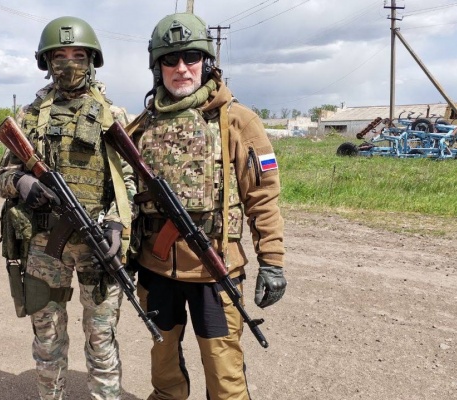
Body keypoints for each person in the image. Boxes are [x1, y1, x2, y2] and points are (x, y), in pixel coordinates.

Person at [127, 12, 287, 400]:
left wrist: (272, 261)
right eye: (170, 59)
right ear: (157, 67)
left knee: (224, 372)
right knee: (163, 366)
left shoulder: (238, 121)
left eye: (191, 57)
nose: (181, 68)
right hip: (155, 269)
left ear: (207, 61)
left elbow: (263, 197)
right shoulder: (141, 127)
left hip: (215, 269)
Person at [0, 16, 134, 400]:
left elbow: (130, 181)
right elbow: (2, 178)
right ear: (47, 61)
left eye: (78, 55)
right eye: (60, 56)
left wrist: (117, 222)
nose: (69, 63)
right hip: (44, 246)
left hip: (97, 246)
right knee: (48, 340)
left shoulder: (112, 116)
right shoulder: (30, 116)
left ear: (91, 61)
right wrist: (21, 182)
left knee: (101, 338)